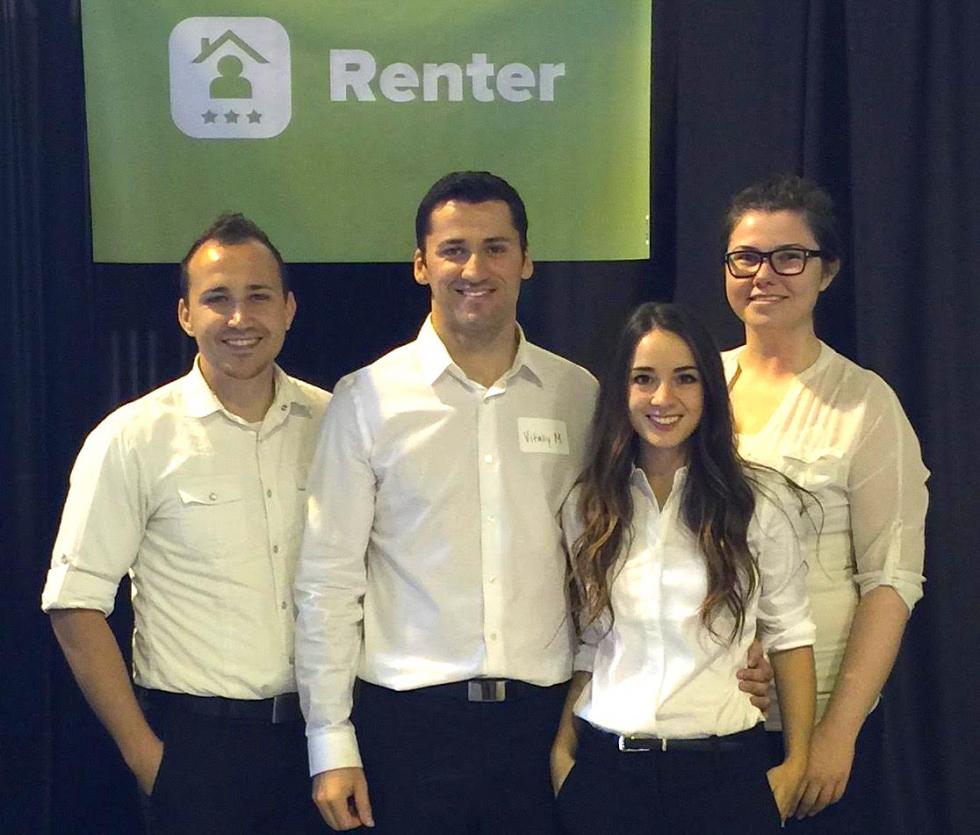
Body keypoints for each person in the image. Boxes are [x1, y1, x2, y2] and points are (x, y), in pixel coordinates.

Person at [295, 171, 774, 834]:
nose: (474, 267)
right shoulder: (367, 399)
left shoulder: (577, 396)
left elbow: (638, 543)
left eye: (496, 247)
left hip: (543, 725)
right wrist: (330, 739)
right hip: (409, 729)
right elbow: (327, 581)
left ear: (526, 260)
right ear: (420, 264)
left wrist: (731, 652)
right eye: (454, 248)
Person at [41, 213, 330, 835]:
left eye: (258, 296)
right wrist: (149, 760)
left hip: (327, 745)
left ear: (288, 309)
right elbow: (74, 604)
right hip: (198, 751)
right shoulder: (133, 437)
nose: (239, 318)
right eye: (216, 299)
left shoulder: (336, 425)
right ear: (185, 314)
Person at [550, 302, 816, 834]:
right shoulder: (589, 505)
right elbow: (592, 641)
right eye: (643, 379)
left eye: (685, 379)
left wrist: (795, 765)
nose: (663, 399)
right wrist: (563, 753)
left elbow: (791, 636)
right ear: (621, 392)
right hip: (606, 776)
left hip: (724, 777)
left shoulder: (760, 501)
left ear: (709, 391)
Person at [720, 174, 929, 831]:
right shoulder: (691, 391)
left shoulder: (865, 403)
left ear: (827, 271)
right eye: (746, 257)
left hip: (813, 723)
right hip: (705, 715)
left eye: (790, 257)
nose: (764, 275)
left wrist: (836, 734)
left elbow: (891, 579)